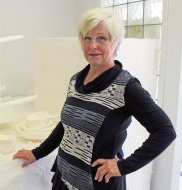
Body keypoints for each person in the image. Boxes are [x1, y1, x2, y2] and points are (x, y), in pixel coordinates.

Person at [13, 7, 176, 190]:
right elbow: (67, 125)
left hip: (97, 183)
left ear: (115, 44)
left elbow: (165, 131)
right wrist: (37, 153)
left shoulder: (126, 87)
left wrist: (123, 166)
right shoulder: (76, 80)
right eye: (87, 38)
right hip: (64, 176)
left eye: (101, 38)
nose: (92, 46)